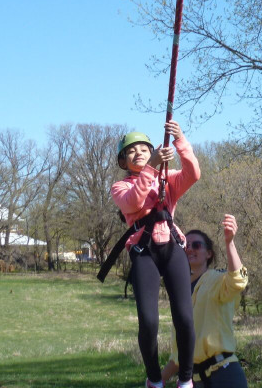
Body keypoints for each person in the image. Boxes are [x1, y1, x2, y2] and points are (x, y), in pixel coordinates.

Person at [111, 120, 200, 388]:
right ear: (124, 162)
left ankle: (185, 379)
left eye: (143, 149)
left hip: (172, 247)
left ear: (153, 151)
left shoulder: (168, 178)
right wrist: (151, 167)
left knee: (184, 317)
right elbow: (133, 202)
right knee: (149, 322)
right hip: (144, 252)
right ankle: (153, 379)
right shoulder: (120, 187)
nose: (138, 153)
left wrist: (180, 140)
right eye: (131, 151)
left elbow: (193, 173)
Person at [161, 214, 249, 388]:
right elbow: (179, 355)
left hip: (225, 374)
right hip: (193, 380)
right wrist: (157, 380)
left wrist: (229, 242)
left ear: (208, 253)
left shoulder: (216, 280)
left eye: (196, 245)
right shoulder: (180, 292)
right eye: (185, 245)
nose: (190, 249)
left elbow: (238, 280)